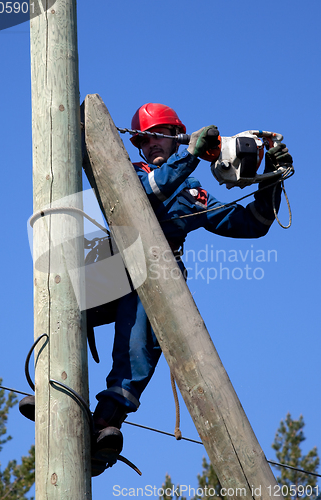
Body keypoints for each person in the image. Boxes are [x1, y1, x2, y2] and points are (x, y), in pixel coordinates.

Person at [90, 103, 293, 474]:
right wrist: (189, 158)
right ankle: (52, 390)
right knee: (60, 308)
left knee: (140, 346)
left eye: (159, 135)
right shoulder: (127, 170)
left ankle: (105, 428)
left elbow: (251, 223)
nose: (151, 143)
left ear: (175, 135)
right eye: (144, 138)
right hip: (109, 264)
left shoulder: (190, 192)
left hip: (154, 272)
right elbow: (140, 196)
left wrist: (271, 177)